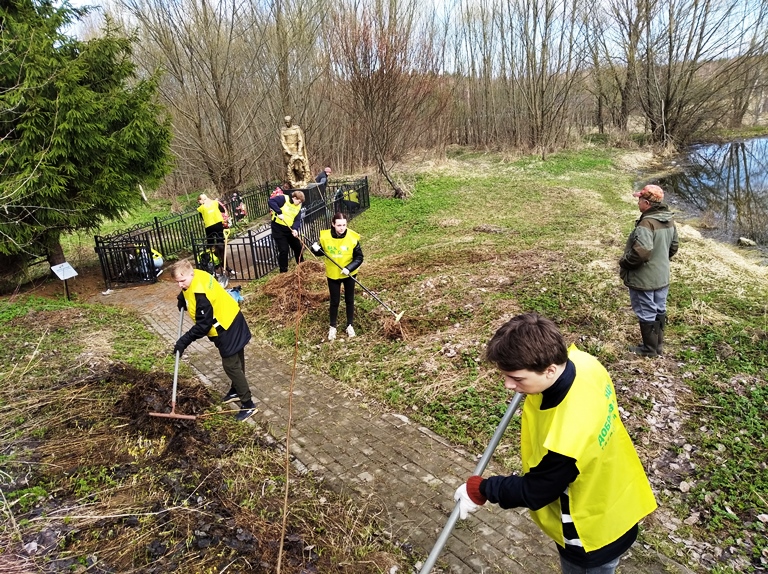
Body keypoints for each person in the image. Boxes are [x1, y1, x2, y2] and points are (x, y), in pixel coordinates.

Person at [453, 313, 657, 574]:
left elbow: (535, 491)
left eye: (517, 379)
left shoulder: (568, 440)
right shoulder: (584, 363)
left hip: (590, 533)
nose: (507, 385)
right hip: (619, 499)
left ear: (549, 370)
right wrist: (527, 385)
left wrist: (482, 489)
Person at [170, 259, 257, 422]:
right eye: (177, 282)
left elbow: (204, 325)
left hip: (226, 326)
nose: (180, 285)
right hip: (232, 316)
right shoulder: (199, 274)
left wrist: (184, 341)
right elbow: (189, 290)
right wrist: (182, 297)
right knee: (236, 358)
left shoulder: (200, 293)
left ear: (190, 274)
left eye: (182, 281)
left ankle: (248, 404)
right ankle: (236, 390)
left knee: (231, 365)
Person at [619, 184, 679, 357]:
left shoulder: (646, 223)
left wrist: (625, 262)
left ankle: (649, 349)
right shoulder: (668, 219)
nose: (638, 203)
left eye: (639, 199)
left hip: (644, 279)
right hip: (662, 276)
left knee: (646, 311)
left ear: (646, 203)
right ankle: (657, 346)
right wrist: (660, 261)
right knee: (660, 308)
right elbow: (673, 247)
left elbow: (642, 251)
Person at [310, 212, 364, 340]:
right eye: (339, 225)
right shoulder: (325, 237)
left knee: (349, 299)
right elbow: (321, 253)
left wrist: (349, 268)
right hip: (333, 274)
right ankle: (332, 327)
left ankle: (350, 325)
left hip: (349, 274)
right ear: (333, 224)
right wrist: (315, 249)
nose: (342, 228)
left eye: (344, 225)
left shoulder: (352, 237)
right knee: (334, 301)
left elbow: (359, 257)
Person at [269, 189, 305, 273]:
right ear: (294, 198)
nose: (299, 204)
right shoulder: (283, 199)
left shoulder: (298, 206)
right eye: (299, 201)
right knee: (284, 250)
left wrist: (295, 229)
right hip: (278, 229)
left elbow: (297, 219)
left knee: (298, 247)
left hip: (290, 229)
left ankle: (302, 265)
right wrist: (279, 212)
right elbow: (271, 202)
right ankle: (283, 271)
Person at [280, 115, 311, 188]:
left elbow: (300, 140)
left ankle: (302, 181)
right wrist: (287, 150)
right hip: (287, 152)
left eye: (288, 122)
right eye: (285, 122)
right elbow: (282, 141)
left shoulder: (296, 129)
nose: (287, 124)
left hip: (296, 150)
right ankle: (293, 184)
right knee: (289, 169)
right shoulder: (283, 130)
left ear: (291, 121)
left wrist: (299, 150)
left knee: (298, 168)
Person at [197, 193, 227, 262]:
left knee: (210, 243)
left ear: (201, 201)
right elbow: (222, 210)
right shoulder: (215, 203)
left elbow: (202, 217)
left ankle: (213, 257)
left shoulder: (201, 208)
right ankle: (222, 256)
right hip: (218, 224)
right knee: (220, 241)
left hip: (209, 226)